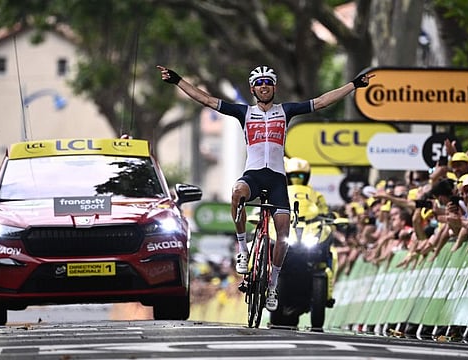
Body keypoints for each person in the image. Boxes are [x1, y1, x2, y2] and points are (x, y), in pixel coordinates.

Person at [157, 64, 374, 311]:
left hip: (278, 180)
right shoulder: (244, 112)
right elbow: (205, 99)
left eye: (268, 82)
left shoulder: (286, 110)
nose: (263, 86)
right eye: (259, 83)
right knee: (237, 192)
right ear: (252, 89)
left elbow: (323, 101)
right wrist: (178, 81)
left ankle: (272, 287)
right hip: (254, 176)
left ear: (274, 87)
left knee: (283, 236)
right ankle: (242, 248)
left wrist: (354, 85)